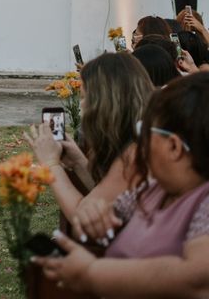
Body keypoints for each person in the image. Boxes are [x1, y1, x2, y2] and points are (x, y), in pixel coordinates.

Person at [33, 73, 209, 298]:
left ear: (174, 147)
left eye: (143, 133)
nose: (138, 146)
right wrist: (93, 216)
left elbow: (197, 280)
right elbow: (99, 214)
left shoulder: (204, 201)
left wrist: (91, 272)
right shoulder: (154, 190)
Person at [25, 52, 154, 242]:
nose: (81, 106)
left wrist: (51, 164)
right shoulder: (143, 136)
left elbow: (83, 217)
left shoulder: (134, 153)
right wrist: (79, 162)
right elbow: (110, 195)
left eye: (84, 98)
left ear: (103, 104)